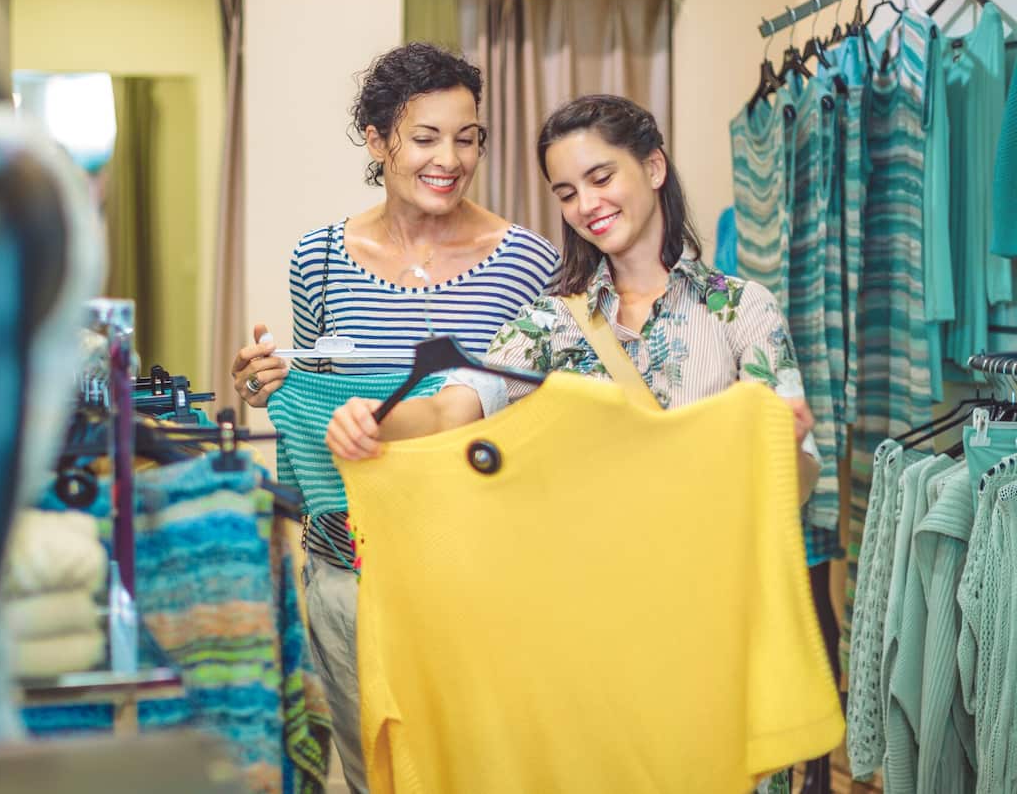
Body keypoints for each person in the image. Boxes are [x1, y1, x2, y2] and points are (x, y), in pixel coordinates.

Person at [229, 42, 560, 792]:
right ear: (377, 142)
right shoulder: (317, 257)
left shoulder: (528, 263)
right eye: (426, 136)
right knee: (372, 772)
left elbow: (537, 421)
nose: (451, 157)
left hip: (479, 575)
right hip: (345, 572)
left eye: (468, 136)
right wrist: (263, 384)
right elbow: (306, 389)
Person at [326, 93, 821, 513]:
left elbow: (792, 490)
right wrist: (375, 418)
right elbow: (449, 412)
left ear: (653, 168)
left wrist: (790, 444)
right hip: (586, 596)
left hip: (711, 595)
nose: (585, 205)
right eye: (567, 193)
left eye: (601, 179)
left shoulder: (741, 309)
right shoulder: (549, 323)